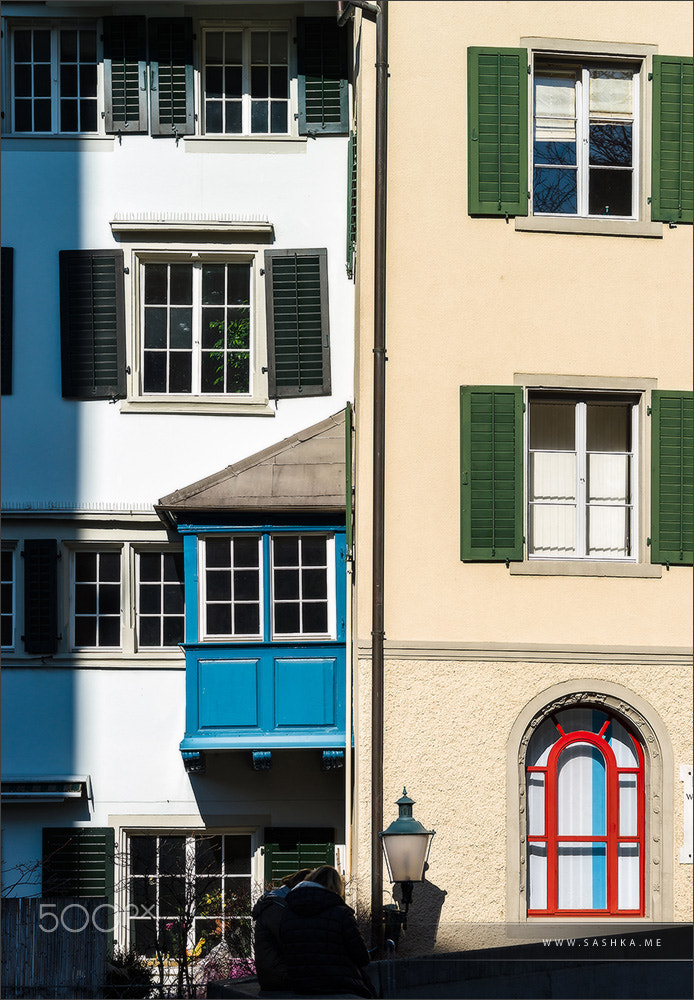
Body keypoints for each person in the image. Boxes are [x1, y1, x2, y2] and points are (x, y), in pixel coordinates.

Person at [278, 865, 375, 998]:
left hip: (301, 986)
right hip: (340, 985)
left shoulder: (287, 913)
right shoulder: (341, 913)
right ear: (335, 886)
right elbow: (362, 957)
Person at [252, 868, 312, 991]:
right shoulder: (277, 908)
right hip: (279, 976)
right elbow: (290, 943)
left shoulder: (278, 905)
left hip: (278, 973)